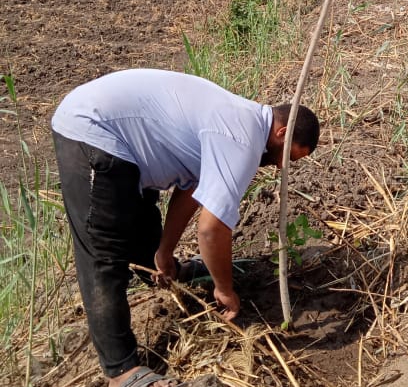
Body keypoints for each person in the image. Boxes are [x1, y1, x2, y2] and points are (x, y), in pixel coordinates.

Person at [51, 68, 320, 387]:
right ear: (282, 132)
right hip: (93, 130)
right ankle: (122, 371)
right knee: (103, 256)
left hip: (124, 141)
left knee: (142, 225)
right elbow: (211, 229)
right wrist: (224, 289)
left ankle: (156, 272)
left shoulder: (239, 120)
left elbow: (193, 189)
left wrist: (164, 253)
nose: (279, 166)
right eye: (287, 157)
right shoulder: (242, 139)